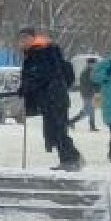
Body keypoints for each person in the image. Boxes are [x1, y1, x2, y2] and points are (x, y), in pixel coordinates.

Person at [17, 28, 83, 171]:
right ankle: (68, 159)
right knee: (53, 131)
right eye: (21, 39)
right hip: (49, 99)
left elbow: (42, 75)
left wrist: (27, 87)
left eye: (25, 38)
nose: (22, 42)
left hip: (54, 97)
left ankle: (72, 158)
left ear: (32, 38)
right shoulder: (34, 54)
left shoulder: (41, 53)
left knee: (58, 130)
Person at [75, 54, 103, 132]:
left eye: (95, 64)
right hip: (88, 94)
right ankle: (72, 121)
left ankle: (91, 126)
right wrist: (94, 89)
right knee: (88, 110)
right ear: (89, 64)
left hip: (93, 94)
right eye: (93, 64)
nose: (94, 65)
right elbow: (87, 84)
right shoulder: (86, 73)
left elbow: (97, 82)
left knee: (91, 110)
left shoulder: (93, 71)